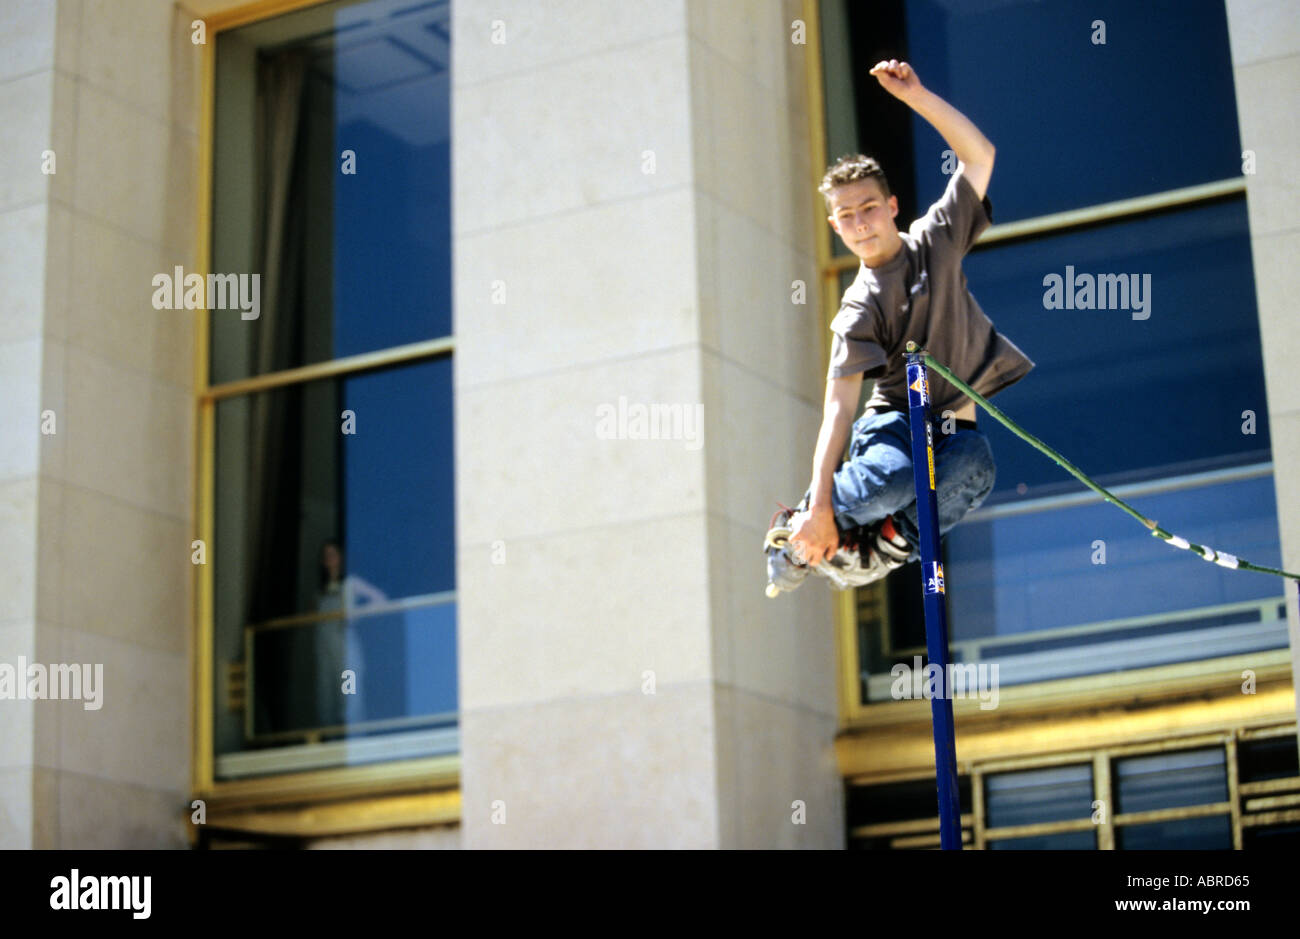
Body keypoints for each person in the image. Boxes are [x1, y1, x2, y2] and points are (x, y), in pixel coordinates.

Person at [767, 59, 1034, 595]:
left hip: (952, 426)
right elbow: (839, 410)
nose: (860, 222)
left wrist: (916, 96)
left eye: (869, 207)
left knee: (976, 467)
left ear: (892, 206)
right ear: (835, 226)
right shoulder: (859, 308)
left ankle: (880, 548)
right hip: (894, 428)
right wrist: (820, 504)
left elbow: (980, 156)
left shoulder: (937, 241)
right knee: (893, 479)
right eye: (847, 216)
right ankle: (801, 527)